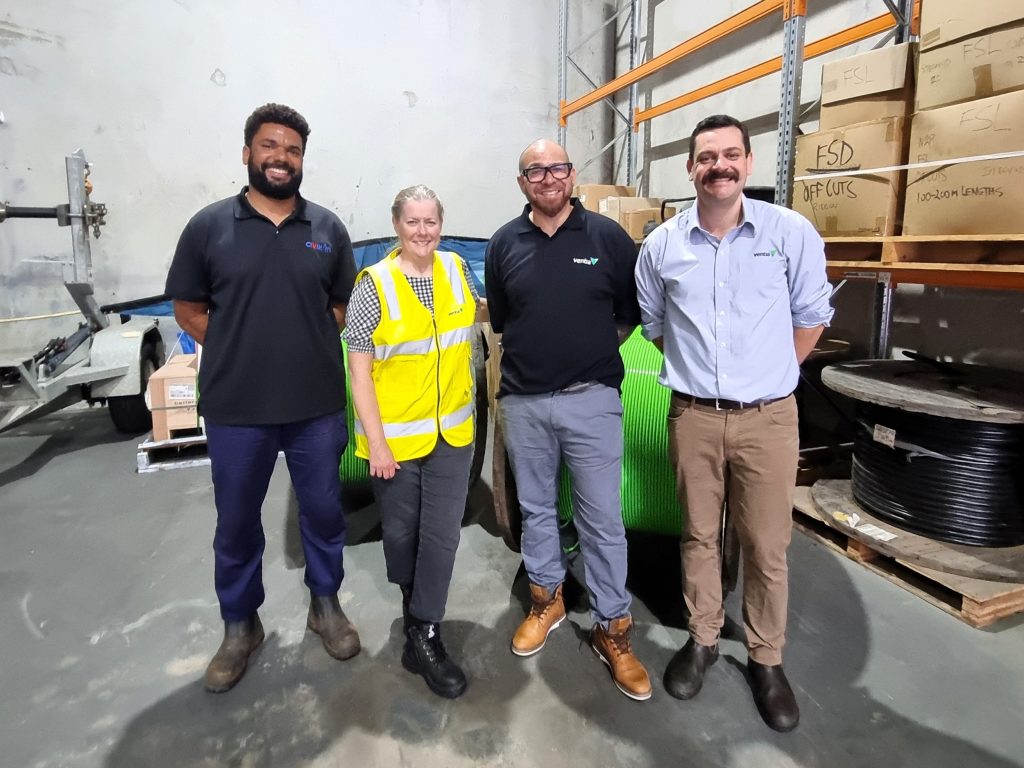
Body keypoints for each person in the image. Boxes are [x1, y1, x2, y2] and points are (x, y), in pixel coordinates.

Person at [634, 114, 834, 731]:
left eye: (728, 155)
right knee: (696, 534)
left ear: (748, 164)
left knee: (766, 545)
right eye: (704, 157)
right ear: (689, 169)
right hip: (693, 416)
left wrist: (767, 378)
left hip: (769, 420)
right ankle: (701, 638)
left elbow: (811, 314)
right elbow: (656, 324)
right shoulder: (663, 245)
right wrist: (706, 381)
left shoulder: (790, 233)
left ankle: (766, 658)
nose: (716, 165)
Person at [166, 103, 360, 693]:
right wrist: (242, 347)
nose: (281, 158)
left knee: (325, 514)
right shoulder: (208, 227)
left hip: (315, 406)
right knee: (236, 524)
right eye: (270, 147)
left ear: (303, 160)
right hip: (237, 409)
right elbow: (189, 309)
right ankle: (240, 624)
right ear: (247, 152)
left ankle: (324, 605)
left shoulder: (327, 230)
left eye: (293, 150)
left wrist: (298, 346)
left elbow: (338, 308)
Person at [485, 139, 652, 701]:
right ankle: (547, 598)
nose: (548, 177)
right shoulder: (504, 243)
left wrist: (586, 357)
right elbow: (505, 320)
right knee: (536, 511)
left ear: (572, 175)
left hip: (592, 399)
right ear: (522, 181)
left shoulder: (607, 238)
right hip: (525, 402)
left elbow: (630, 315)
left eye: (557, 168)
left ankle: (613, 627)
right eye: (535, 169)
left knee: (602, 519)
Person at [345, 185, 482, 699]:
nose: (422, 232)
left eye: (431, 222)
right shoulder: (373, 285)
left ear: (441, 225)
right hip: (396, 440)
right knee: (402, 536)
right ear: (396, 225)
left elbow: (473, 328)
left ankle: (425, 633)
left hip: (452, 434)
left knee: (442, 536)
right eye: (412, 222)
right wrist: (377, 444)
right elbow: (360, 374)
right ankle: (413, 616)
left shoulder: (455, 270)